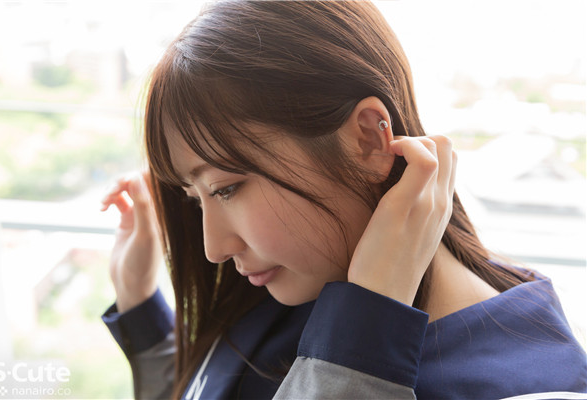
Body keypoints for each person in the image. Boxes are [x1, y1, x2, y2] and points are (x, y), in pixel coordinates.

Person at [100, 1, 587, 399]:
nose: (214, 248)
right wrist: (139, 306)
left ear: (368, 140)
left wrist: (363, 329)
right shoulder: (300, 283)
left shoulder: (531, 388)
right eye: (195, 199)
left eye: (227, 188)